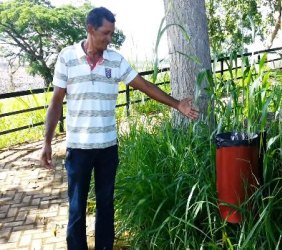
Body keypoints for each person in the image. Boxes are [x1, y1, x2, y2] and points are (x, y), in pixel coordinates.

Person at [40, 7, 198, 250]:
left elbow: (144, 85)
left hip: (107, 148)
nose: (109, 38)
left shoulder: (115, 60)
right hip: (78, 149)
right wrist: (47, 142)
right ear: (90, 29)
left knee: (105, 204)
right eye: (106, 33)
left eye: (112, 33)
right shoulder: (67, 57)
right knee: (76, 207)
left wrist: (177, 104)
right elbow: (55, 102)